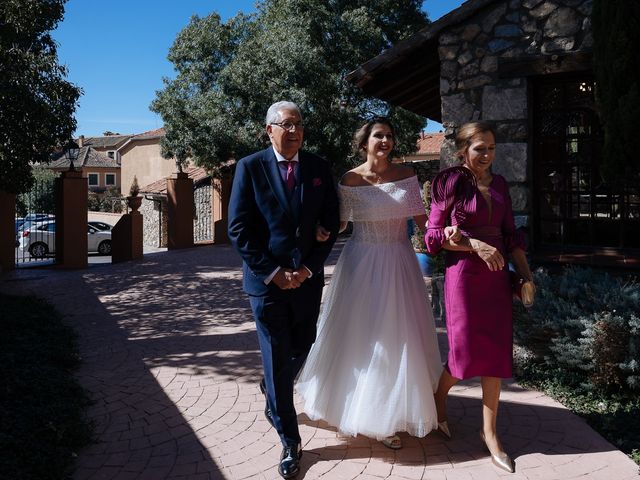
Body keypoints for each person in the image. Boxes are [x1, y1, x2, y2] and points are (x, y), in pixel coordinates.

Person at [296, 117, 450, 450]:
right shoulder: (350, 179)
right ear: (364, 141)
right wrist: (319, 232)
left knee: (397, 335)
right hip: (360, 264)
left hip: (398, 263)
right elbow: (339, 224)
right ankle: (361, 412)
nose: (385, 141)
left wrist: (449, 237)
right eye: (378, 135)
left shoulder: (407, 176)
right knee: (362, 335)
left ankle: (392, 413)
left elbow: (424, 222)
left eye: (390, 136)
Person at [228, 101, 340, 479]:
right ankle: (290, 441)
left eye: (300, 125)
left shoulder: (319, 168)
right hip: (267, 285)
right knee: (277, 359)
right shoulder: (249, 167)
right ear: (269, 130)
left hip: (306, 281)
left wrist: (308, 267)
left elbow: (331, 223)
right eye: (287, 124)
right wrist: (273, 272)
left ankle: (271, 390)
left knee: (304, 345)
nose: (294, 131)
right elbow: (238, 229)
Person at [425, 121, 535, 474]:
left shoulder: (500, 185)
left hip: (496, 280)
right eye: (479, 149)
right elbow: (433, 237)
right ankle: (439, 397)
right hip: (464, 278)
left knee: (495, 353)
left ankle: (490, 433)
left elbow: (511, 236)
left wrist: (527, 277)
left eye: (491, 148)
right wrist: (473, 243)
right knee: (464, 352)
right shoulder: (449, 182)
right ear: (463, 151)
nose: (486, 155)